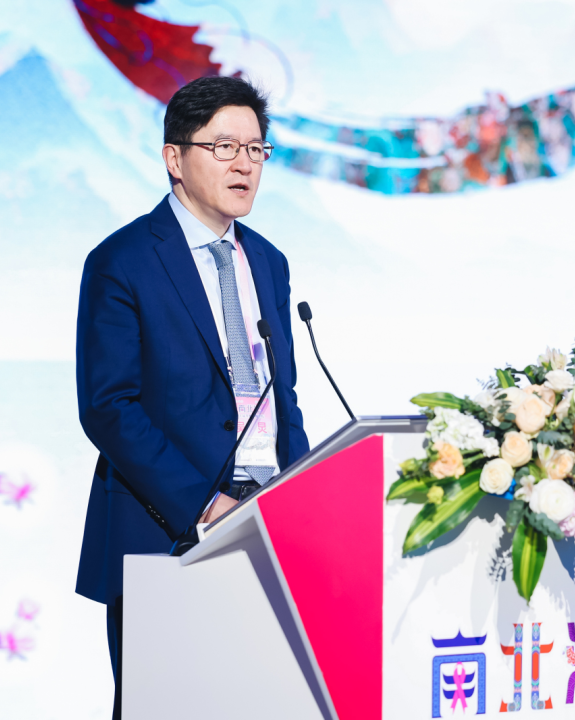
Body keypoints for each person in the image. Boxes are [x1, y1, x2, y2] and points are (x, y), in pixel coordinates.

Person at [74, 76, 310, 719]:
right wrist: (207, 505)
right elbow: (108, 406)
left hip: (269, 524)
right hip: (168, 530)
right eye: (224, 146)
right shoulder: (122, 260)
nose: (244, 164)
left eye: (256, 149)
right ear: (174, 158)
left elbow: (282, 396)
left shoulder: (269, 262)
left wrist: (304, 497)